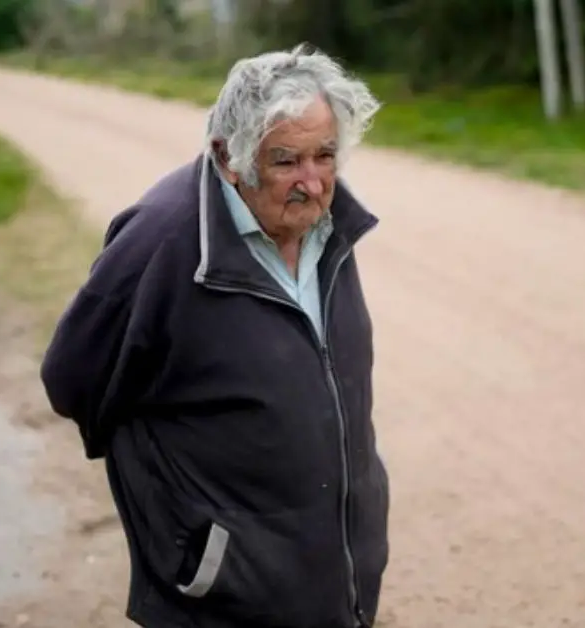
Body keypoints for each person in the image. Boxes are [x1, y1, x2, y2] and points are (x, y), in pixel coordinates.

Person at [39, 44, 390, 628]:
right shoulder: (161, 240)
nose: (312, 182)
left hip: (336, 576)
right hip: (223, 597)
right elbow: (72, 379)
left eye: (325, 155)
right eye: (286, 161)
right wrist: (183, 521)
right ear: (230, 157)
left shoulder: (327, 223)